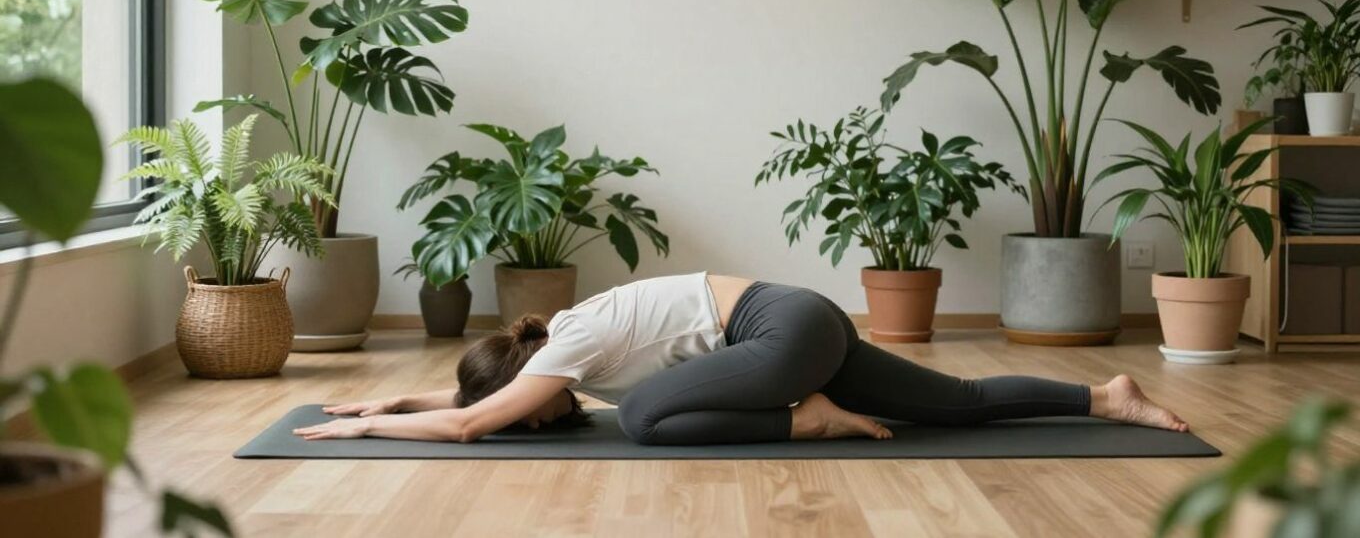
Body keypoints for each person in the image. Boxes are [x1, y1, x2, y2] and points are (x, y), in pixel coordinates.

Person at [293, 273, 1188, 444]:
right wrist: (391, 402)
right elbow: (472, 400)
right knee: (955, 400)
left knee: (641, 417)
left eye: (529, 415)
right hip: (801, 320)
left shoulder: (567, 348)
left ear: (529, 383)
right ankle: (1105, 396)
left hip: (780, 337)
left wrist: (365, 427)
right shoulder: (556, 341)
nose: (539, 420)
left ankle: (809, 418)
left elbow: (472, 422)